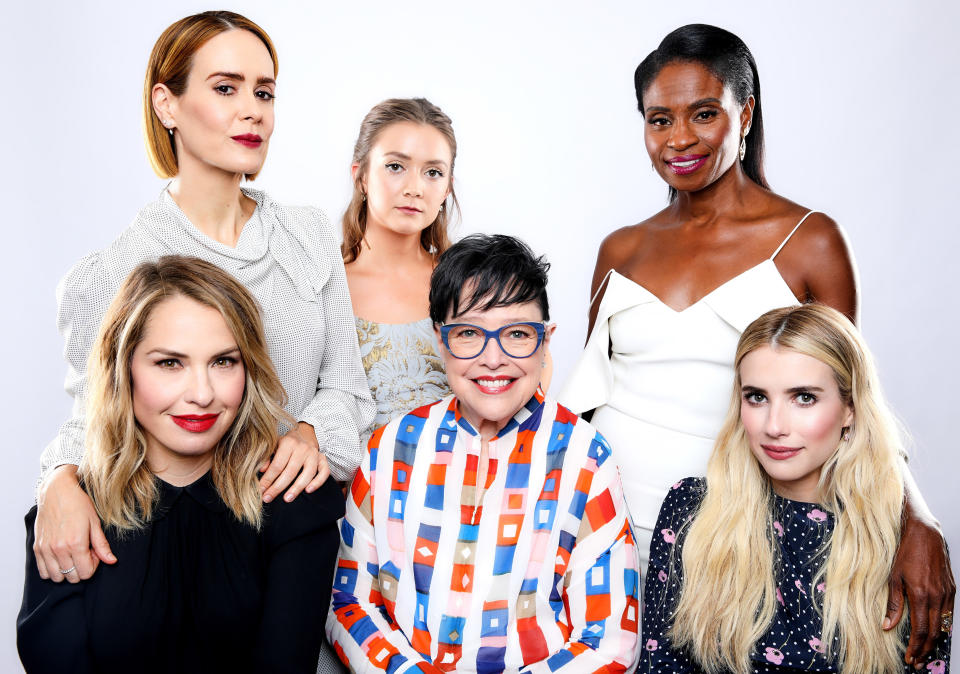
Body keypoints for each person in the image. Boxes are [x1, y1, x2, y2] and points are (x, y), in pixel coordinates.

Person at [559, 23, 952, 661]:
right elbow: (582, 406)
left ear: (746, 113)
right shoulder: (620, 249)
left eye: (704, 113)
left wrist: (919, 519)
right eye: (660, 119)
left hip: (731, 541)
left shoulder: (809, 240)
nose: (679, 138)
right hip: (604, 534)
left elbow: (853, 403)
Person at [33, 11, 374, 584]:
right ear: (166, 104)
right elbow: (94, 421)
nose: (253, 111)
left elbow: (347, 389)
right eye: (225, 88)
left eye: (263, 92)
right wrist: (57, 479)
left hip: (305, 545)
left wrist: (310, 433)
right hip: (186, 558)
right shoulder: (112, 273)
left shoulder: (309, 237)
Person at [326, 235, 640, 672]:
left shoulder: (586, 457)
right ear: (440, 339)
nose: (494, 359)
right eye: (469, 333)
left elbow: (610, 641)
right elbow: (349, 602)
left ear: (546, 340)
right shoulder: (391, 447)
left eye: (517, 333)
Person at [18, 256, 344, 673]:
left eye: (223, 361)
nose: (202, 394)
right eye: (170, 363)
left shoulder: (294, 504)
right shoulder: (66, 516)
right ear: (124, 369)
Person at [639, 304, 952, 673]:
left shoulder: (907, 548)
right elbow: (661, 664)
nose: (774, 426)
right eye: (757, 396)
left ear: (850, 408)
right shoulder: (691, 511)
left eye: (804, 397)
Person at [341, 98, 458, 434]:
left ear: (447, 187)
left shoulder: (468, 282)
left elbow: (533, 361)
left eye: (433, 172)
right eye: (395, 166)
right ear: (360, 176)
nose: (414, 188)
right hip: (354, 480)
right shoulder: (324, 282)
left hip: (454, 477)